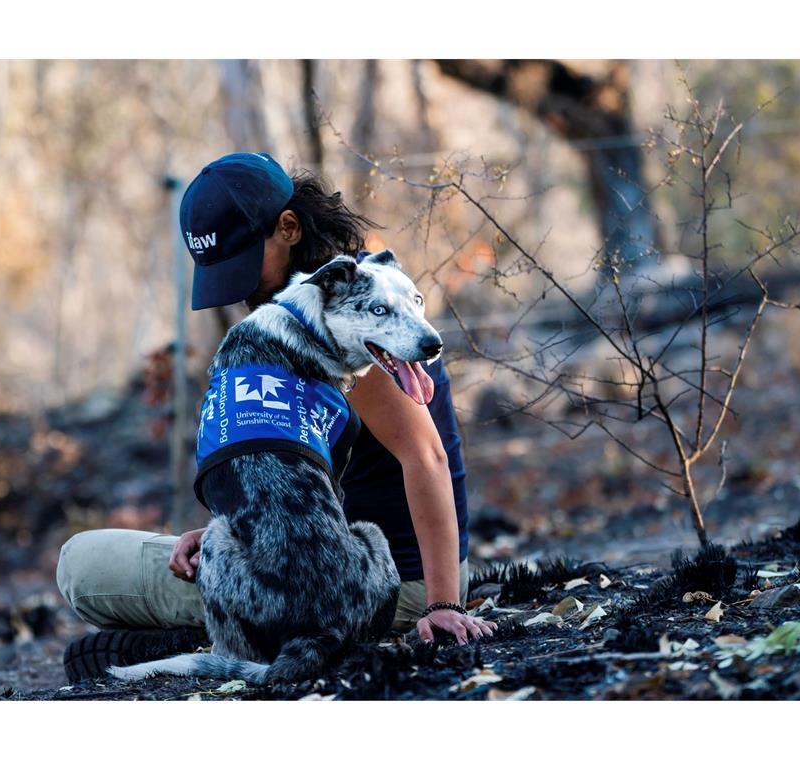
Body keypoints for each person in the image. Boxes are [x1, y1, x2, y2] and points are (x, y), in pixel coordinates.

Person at [56, 152, 494, 684]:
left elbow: (425, 455)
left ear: (287, 228)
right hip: (337, 564)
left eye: (242, 267)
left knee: (83, 566)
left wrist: (441, 605)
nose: (238, 290)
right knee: (177, 551)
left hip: (383, 587)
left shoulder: (343, 321)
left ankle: (220, 642)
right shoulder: (358, 291)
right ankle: (225, 632)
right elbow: (302, 468)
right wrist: (243, 520)